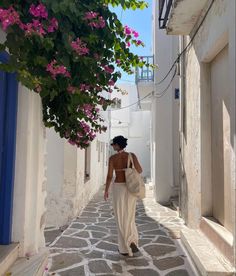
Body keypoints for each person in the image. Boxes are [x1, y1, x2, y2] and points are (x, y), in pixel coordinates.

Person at [104, 135, 143, 256]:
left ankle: (124, 248)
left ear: (117, 145)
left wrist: (106, 190)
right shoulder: (131, 156)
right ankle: (131, 240)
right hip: (130, 189)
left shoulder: (112, 158)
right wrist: (129, 169)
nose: (112, 146)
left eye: (113, 144)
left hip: (118, 188)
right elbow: (140, 170)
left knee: (120, 217)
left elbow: (110, 176)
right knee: (130, 216)